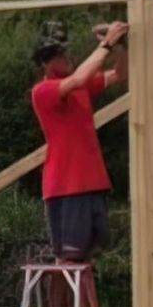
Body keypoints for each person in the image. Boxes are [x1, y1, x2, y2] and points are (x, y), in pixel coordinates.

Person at [30, 21, 128, 260]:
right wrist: (106, 44)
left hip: (92, 184)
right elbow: (78, 79)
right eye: (59, 54)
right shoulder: (44, 91)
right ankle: (61, 300)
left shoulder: (80, 86)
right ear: (47, 63)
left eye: (65, 52)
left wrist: (119, 48)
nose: (66, 57)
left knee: (90, 259)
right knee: (68, 260)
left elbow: (120, 74)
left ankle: (83, 300)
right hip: (67, 187)